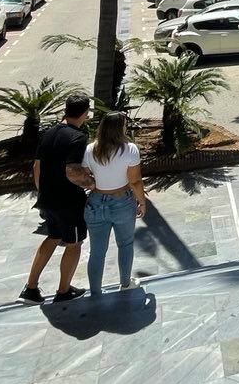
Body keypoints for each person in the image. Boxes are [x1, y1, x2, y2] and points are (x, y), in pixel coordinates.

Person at [21, 94, 94, 303]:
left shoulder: (49, 133)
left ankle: (31, 288)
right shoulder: (77, 137)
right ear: (85, 113)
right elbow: (72, 172)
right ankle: (64, 291)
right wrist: (92, 185)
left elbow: (37, 166)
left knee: (52, 237)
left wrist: (43, 191)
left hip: (47, 199)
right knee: (75, 243)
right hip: (68, 202)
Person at [82, 110, 146, 295]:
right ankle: (125, 283)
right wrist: (141, 202)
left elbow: (85, 174)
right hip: (122, 201)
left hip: (96, 202)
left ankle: (95, 290)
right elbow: (134, 181)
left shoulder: (90, 150)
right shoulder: (130, 149)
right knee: (125, 244)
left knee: (97, 251)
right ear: (120, 129)